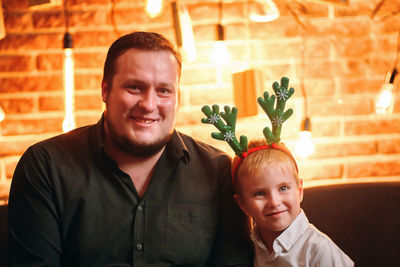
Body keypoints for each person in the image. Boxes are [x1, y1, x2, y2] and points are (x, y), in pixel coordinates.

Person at [8, 31, 252, 266]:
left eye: (163, 91)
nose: (149, 104)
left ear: (177, 97)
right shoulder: (45, 166)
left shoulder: (218, 170)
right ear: (105, 90)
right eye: (135, 87)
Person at [232, 139, 354, 266]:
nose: (274, 202)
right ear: (242, 203)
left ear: (299, 190)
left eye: (283, 188)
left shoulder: (319, 249)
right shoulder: (250, 247)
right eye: (260, 193)